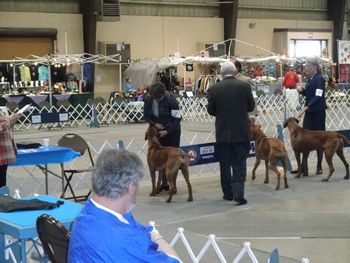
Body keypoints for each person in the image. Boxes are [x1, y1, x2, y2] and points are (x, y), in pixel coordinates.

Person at [68, 149, 181, 263]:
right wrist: (157, 237)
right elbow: (176, 261)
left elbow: (139, 228)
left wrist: (150, 234)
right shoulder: (124, 241)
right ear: (131, 187)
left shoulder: (87, 213)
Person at [207, 62, 255, 205]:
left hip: (223, 133)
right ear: (235, 72)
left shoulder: (214, 89)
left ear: (222, 73)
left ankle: (227, 193)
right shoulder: (245, 86)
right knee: (240, 164)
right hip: (242, 132)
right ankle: (238, 193)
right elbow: (251, 106)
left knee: (225, 164)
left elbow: (211, 111)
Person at [143, 82, 181, 191]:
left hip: (172, 132)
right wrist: (154, 124)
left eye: (158, 98)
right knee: (160, 159)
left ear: (163, 94)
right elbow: (146, 115)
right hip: (157, 132)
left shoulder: (171, 99)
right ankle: (162, 184)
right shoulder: (148, 98)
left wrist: (167, 131)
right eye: (154, 97)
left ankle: (172, 185)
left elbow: (177, 119)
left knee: (172, 159)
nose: (156, 99)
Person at [296, 59, 326, 175]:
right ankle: (304, 167)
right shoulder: (310, 79)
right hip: (309, 112)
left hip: (318, 112)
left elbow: (318, 96)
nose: (305, 69)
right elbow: (309, 94)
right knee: (305, 139)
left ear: (314, 67)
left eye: (307, 66)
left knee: (319, 140)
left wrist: (306, 107)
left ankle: (319, 166)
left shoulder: (320, 79)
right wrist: (301, 91)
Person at [0, 104, 32, 187]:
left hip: (3, 155)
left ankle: (3, 197)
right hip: (1, 154)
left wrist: (19, 114)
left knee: (2, 181)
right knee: (1, 181)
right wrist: (8, 120)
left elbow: (8, 123)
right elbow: (3, 125)